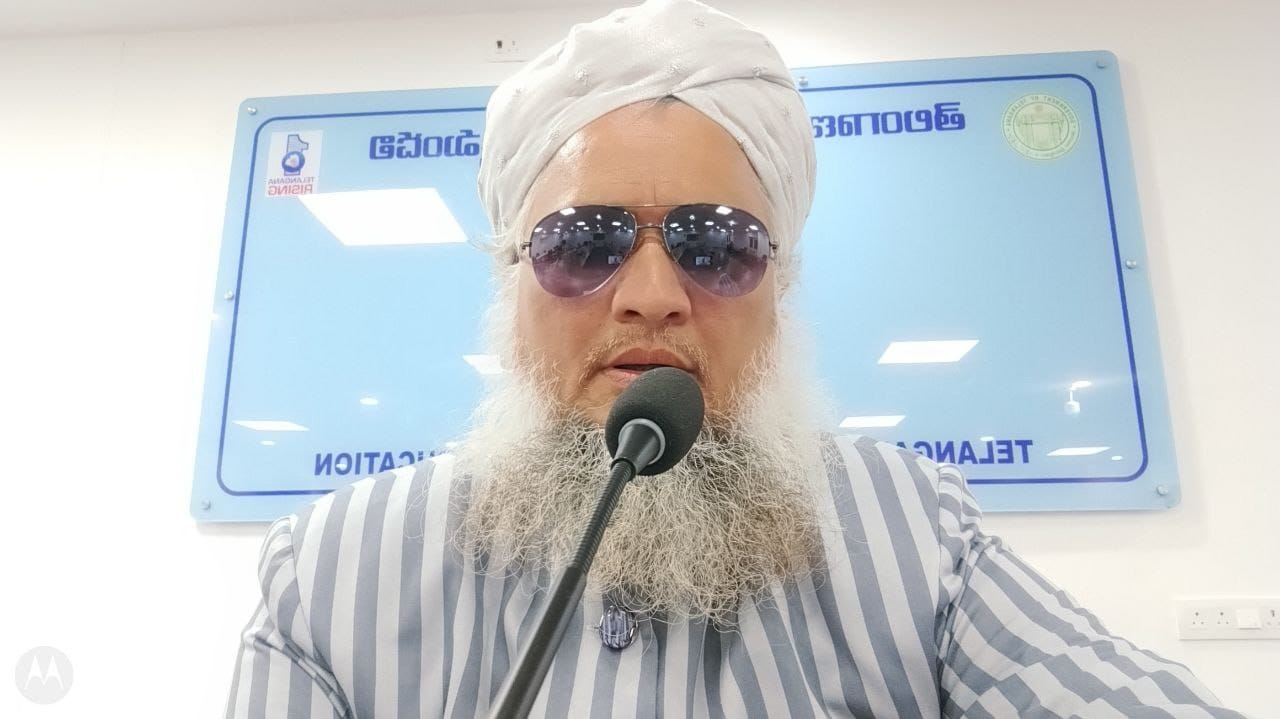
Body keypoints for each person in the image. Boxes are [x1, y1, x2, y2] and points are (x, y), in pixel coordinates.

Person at [224, 1, 1242, 716]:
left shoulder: (912, 534)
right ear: (512, 279)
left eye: (715, 245)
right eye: (584, 241)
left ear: (777, 289)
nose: (652, 292)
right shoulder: (335, 570)